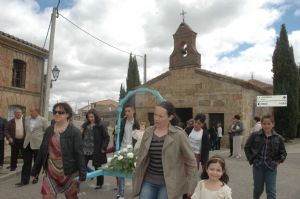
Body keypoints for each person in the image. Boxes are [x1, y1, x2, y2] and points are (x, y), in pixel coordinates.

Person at [132, 101, 197, 199]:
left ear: (170, 117)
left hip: (169, 184)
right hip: (149, 180)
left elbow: (191, 161)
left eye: (161, 116)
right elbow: (141, 156)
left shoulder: (179, 135)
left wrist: (192, 185)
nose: (156, 119)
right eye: (155, 115)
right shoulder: (148, 132)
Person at [31, 102, 86, 199]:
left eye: (61, 112)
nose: (57, 114)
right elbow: (42, 151)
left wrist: (82, 173)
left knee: (71, 196)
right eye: (55, 112)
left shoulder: (75, 132)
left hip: (69, 171)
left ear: (68, 114)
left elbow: (79, 154)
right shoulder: (49, 130)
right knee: (47, 196)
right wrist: (35, 171)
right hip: (51, 171)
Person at [244, 114, 287, 199]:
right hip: (258, 167)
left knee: (271, 191)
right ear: (261, 124)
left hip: (271, 168)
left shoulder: (278, 138)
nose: (266, 126)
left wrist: (277, 163)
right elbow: (247, 147)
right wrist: (252, 159)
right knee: (258, 189)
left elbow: (283, 153)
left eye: (269, 123)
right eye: (264, 123)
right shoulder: (255, 135)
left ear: (273, 124)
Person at [15, 108, 48, 187]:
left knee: (37, 163)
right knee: (26, 163)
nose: (31, 112)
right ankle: (24, 180)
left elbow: (46, 132)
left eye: (32, 111)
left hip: (38, 144)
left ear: (37, 112)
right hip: (27, 143)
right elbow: (26, 130)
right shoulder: (26, 119)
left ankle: (35, 178)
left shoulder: (43, 120)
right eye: (30, 111)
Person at [81, 109, 110, 189]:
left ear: (95, 117)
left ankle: (99, 184)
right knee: (81, 165)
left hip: (96, 150)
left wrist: (103, 147)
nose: (91, 118)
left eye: (92, 117)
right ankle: (80, 180)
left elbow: (106, 137)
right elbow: (81, 136)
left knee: (98, 167)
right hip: (85, 149)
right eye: (89, 117)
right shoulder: (85, 125)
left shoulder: (100, 126)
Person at [117, 104, 140, 199]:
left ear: (133, 111)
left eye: (129, 111)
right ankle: (120, 194)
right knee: (121, 172)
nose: (127, 113)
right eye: (126, 111)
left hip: (133, 150)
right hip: (122, 148)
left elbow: (139, 137)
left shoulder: (137, 123)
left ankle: (135, 193)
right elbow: (117, 134)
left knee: (134, 172)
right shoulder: (121, 122)